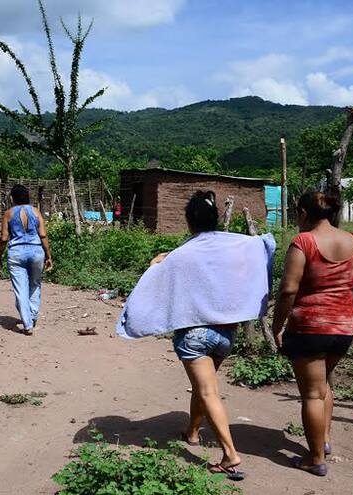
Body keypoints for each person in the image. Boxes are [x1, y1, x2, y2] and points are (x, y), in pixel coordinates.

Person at [117, 191, 276, 482]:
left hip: (195, 336)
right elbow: (266, 243)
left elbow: (155, 277)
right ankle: (192, 432)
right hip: (226, 336)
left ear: (189, 222)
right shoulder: (239, 245)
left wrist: (155, 263)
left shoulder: (180, 255)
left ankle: (230, 456)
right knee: (204, 386)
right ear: (215, 219)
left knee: (207, 391)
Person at [271, 191, 353, 477]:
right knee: (324, 386)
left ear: (303, 213)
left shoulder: (303, 242)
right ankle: (323, 441)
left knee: (312, 394)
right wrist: (349, 311)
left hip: (309, 328)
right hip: (344, 328)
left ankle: (314, 459)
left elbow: (289, 289)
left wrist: (278, 326)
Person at [0, 185, 52, 335]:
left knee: (20, 289)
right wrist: (48, 255)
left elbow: (4, 238)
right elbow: (43, 236)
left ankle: (27, 324)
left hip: (16, 253)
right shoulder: (35, 211)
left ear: (13, 198)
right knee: (35, 284)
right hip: (36, 251)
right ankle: (32, 316)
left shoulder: (8, 214)